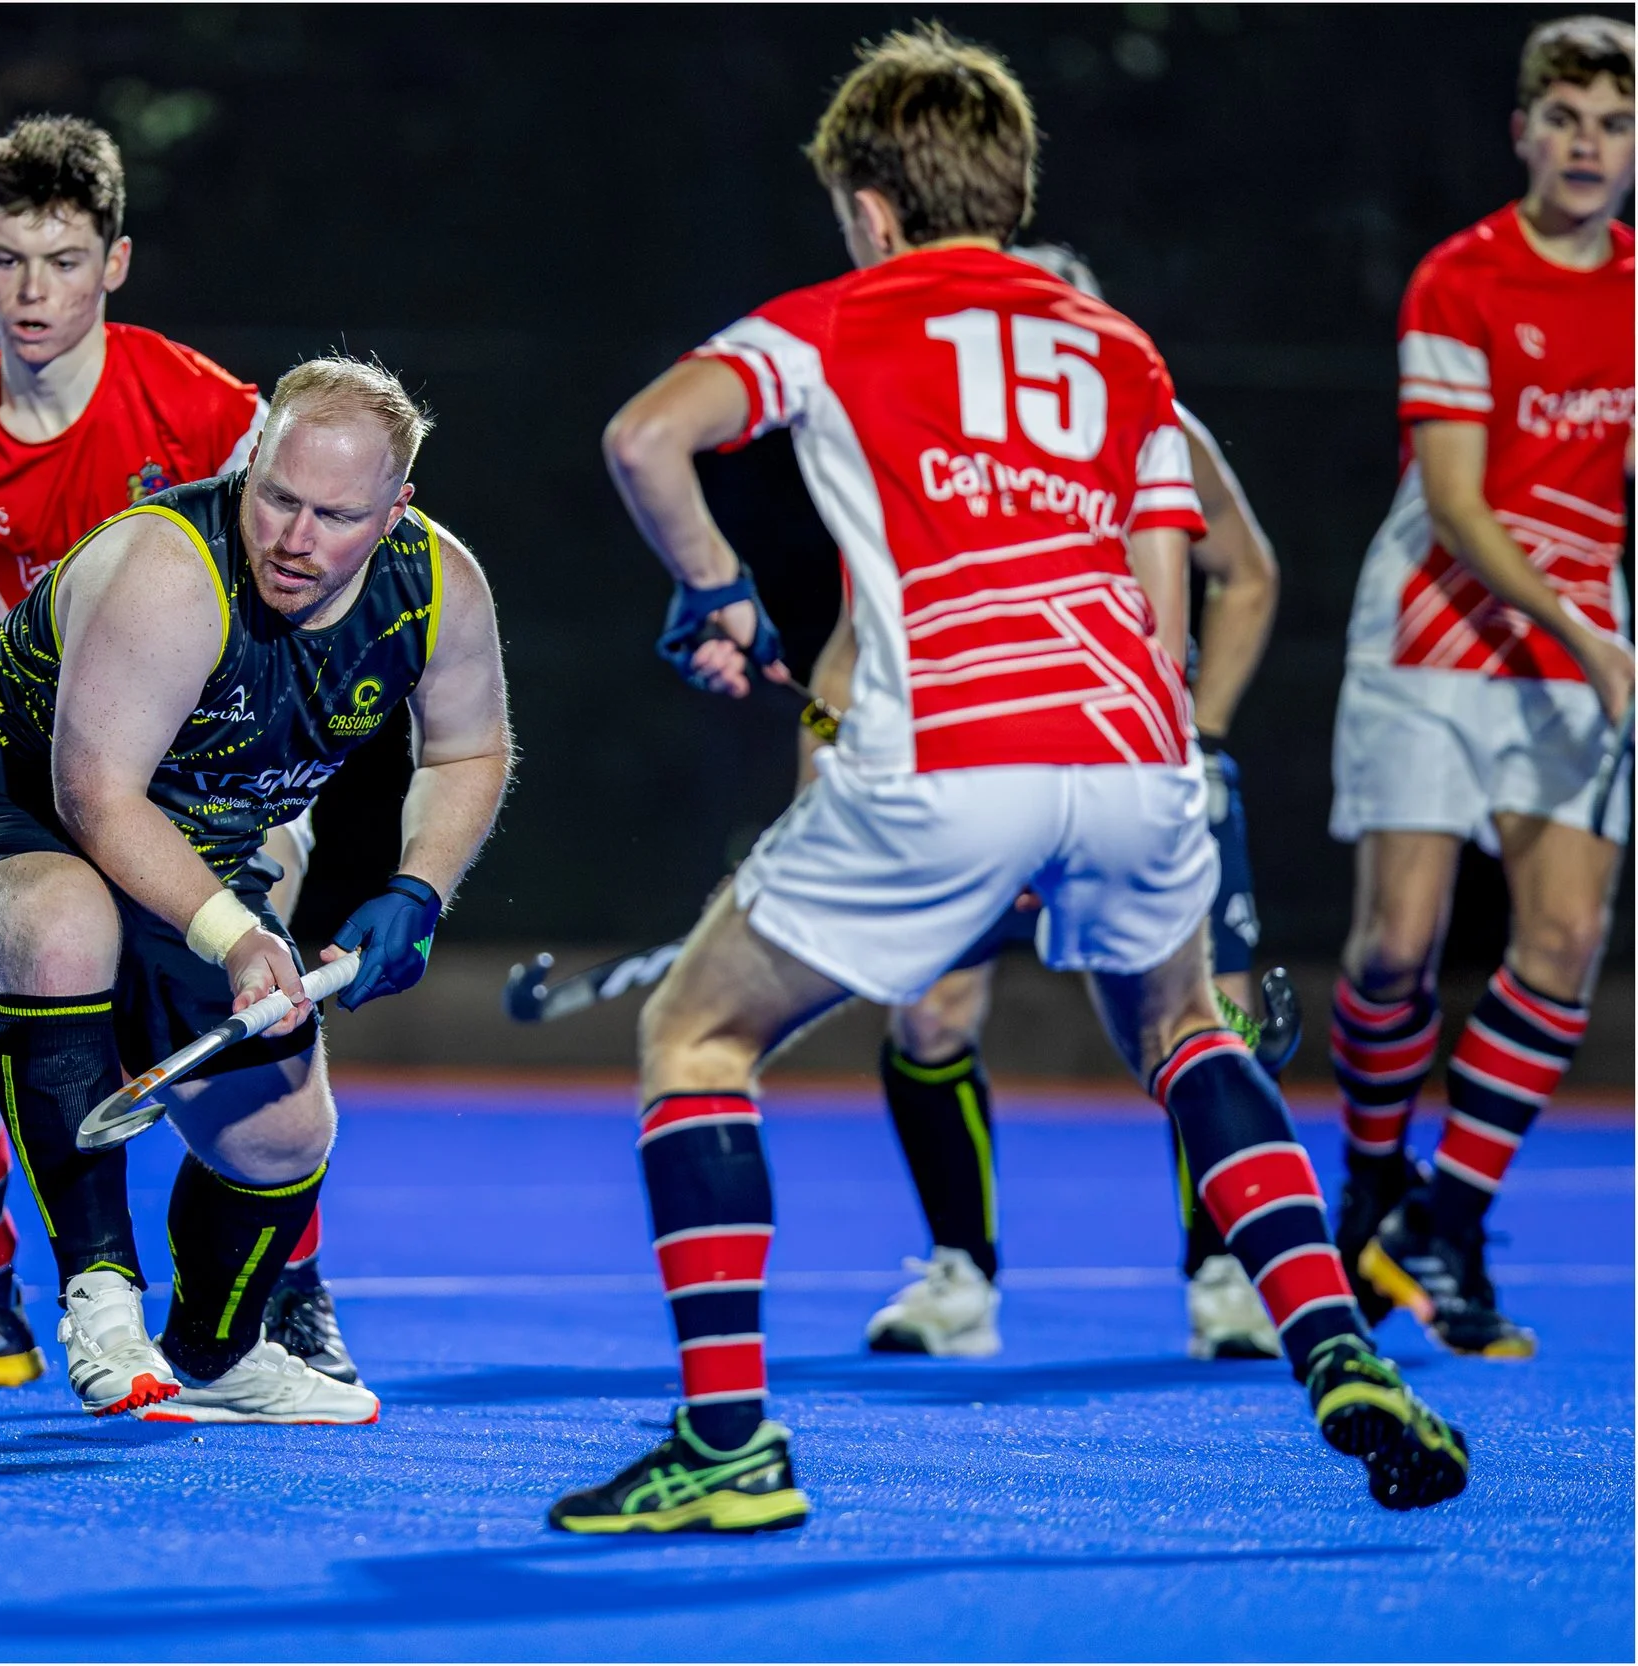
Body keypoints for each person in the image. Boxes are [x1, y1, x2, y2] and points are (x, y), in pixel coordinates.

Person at [551, 28, 1464, 1533]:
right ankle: (1333, 1342)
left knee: (696, 1031)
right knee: (1183, 1031)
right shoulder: (1124, 347)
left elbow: (645, 439)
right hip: (1133, 751)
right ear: (1015, 189)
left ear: (872, 207)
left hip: (947, 759)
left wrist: (716, 591)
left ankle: (726, 1438)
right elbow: (1166, 595)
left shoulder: (837, 315)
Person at [0, 355, 510, 1424]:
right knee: (64, 921)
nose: (293, 539)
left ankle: (217, 1354)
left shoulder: (440, 588)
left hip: (186, 846)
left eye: (335, 515)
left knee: (286, 1134)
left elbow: (465, 752)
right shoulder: (171, 570)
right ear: (251, 462)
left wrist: (419, 890)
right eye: (277, 496)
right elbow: (95, 797)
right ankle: (101, 1296)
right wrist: (231, 935)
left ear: (397, 510)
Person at [0, 114, 354, 1393]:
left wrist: (267, 822)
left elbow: (297, 607)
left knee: (261, 1013)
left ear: (117, 264)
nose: (35, 292)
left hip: (212, 778)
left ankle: (286, 1292)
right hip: (40, 786)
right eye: (10, 260)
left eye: (65, 258)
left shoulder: (209, 413)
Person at [845, 243, 1289, 1363]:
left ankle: (1225, 1272)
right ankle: (960, 1278)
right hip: (978, 765)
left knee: (1204, 1013)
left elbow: (1249, 571)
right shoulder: (927, 446)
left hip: (1140, 769)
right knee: (931, 1009)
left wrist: (1210, 726)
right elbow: (859, 630)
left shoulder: (1156, 428)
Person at [1328, 15, 1633, 1358]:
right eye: (1566, 118)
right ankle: (1375, 1181)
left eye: (1616, 125)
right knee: (1396, 948)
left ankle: (1444, 1223)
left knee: (1563, 940)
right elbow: (1457, 509)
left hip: (1579, 647)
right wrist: (1590, 631)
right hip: (1436, 639)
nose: (1590, 145)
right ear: (1523, 133)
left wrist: (1597, 633)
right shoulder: (1458, 283)